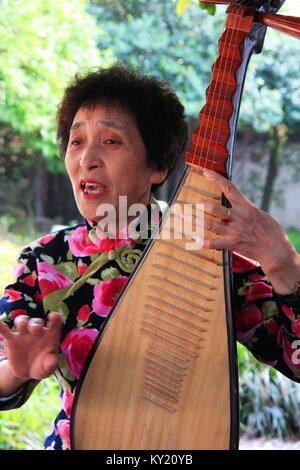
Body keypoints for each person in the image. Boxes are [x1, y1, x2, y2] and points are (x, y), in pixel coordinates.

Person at [0, 64, 300, 450]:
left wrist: (282, 260)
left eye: (111, 141)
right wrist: (18, 369)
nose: (87, 158)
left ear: (157, 165)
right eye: (76, 141)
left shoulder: (206, 251)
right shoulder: (45, 260)